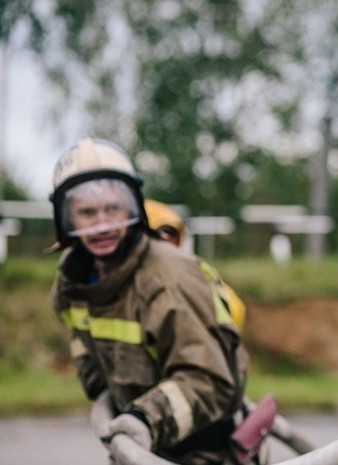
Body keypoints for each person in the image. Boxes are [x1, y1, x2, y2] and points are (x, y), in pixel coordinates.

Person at [49, 137, 250, 465]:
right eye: (86, 212)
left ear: (133, 207)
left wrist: (145, 418)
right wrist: (114, 404)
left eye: (113, 208)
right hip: (135, 445)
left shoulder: (171, 278)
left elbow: (210, 380)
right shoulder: (72, 283)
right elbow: (84, 346)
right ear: (66, 219)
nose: (102, 224)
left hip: (202, 452)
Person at [144, 198, 247, 331]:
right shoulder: (127, 274)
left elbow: (235, 310)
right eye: (158, 232)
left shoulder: (193, 269)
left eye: (170, 232)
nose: (165, 238)